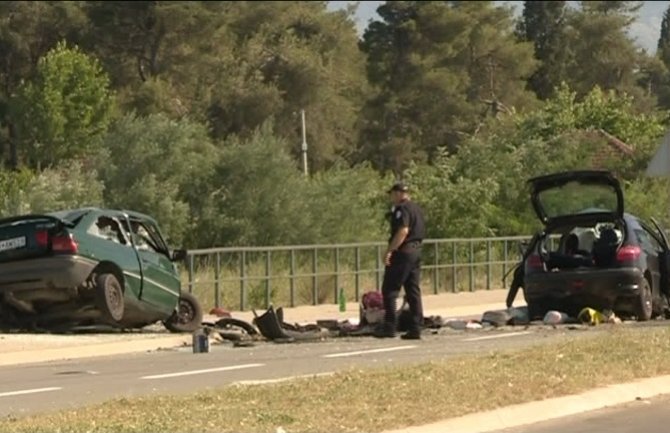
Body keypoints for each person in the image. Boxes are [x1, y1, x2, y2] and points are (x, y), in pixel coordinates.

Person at [374, 181, 426, 340]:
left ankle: (390, 326)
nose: (391, 197)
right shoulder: (416, 208)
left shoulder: (401, 209)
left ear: (397, 194)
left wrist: (390, 250)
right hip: (415, 251)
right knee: (412, 290)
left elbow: (403, 231)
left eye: (392, 194)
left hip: (403, 252)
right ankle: (416, 327)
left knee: (390, 289)